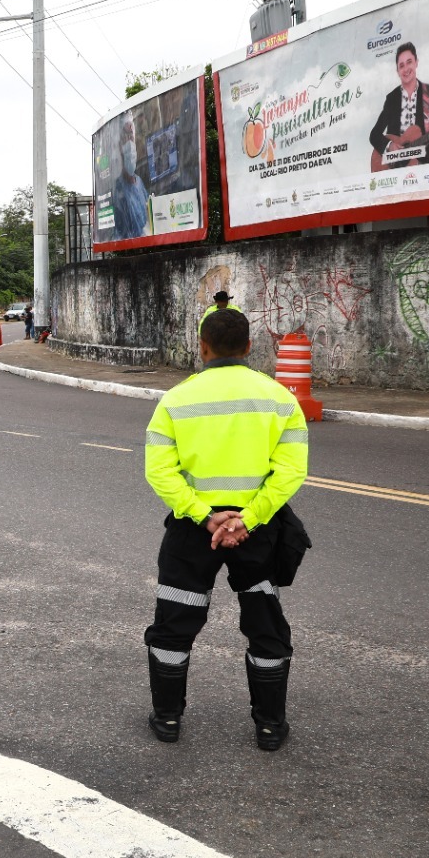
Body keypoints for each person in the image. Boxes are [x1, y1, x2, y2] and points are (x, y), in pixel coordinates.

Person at [141, 309, 309, 751]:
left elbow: (160, 472)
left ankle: (168, 718)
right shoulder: (279, 398)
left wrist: (204, 515)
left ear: (203, 347)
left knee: (175, 621)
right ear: (249, 347)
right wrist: (247, 519)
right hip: (258, 532)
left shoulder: (176, 400)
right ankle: (269, 726)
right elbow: (291, 472)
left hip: (192, 531)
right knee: (264, 623)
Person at [368, 42, 429, 167]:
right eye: (401, 65)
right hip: (394, 168)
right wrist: (389, 145)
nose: (406, 69)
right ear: (397, 71)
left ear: (416, 63)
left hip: (424, 166)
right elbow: (374, 134)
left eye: (409, 62)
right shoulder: (392, 99)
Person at [112, 112, 150, 240]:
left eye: (131, 137)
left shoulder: (139, 182)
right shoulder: (119, 190)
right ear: (119, 146)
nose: (130, 142)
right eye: (125, 137)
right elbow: (122, 235)